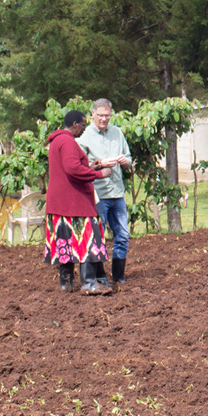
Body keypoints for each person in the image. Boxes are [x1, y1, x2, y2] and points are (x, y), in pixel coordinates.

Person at [45, 110, 113, 294]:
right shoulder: (67, 141)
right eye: (83, 124)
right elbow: (72, 168)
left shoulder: (56, 141)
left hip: (59, 203)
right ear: (74, 124)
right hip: (74, 202)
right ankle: (89, 284)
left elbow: (68, 166)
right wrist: (98, 174)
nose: (84, 129)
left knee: (65, 242)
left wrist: (89, 167)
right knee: (89, 241)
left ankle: (66, 284)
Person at [77, 98, 133, 284]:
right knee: (97, 236)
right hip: (97, 194)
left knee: (123, 235)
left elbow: (129, 158)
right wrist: (100, 165)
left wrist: (126, 162)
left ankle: (119, 276)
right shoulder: (84, 137)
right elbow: (79, 167)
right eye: (100, 115)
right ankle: (100, 277)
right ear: (92, 113)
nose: (104, 119)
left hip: (117, 192)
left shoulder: (117, 133)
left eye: (107, 116)